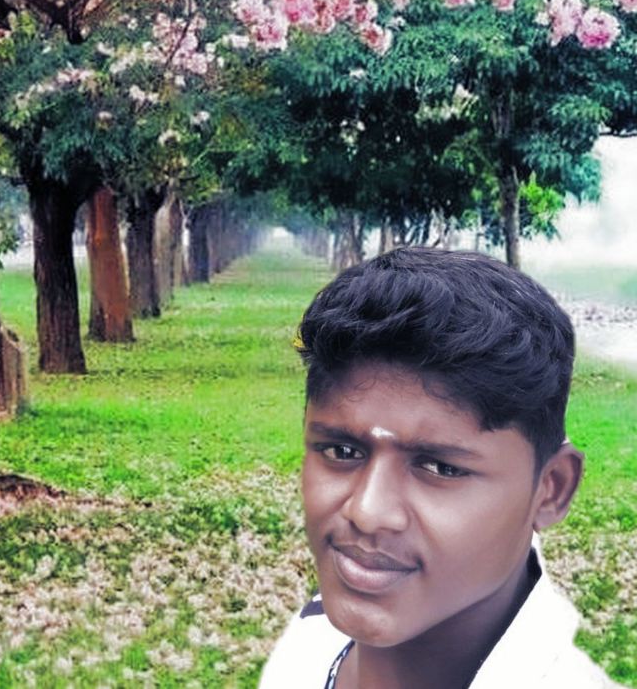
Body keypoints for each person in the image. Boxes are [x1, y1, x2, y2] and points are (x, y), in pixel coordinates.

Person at [259, 247, 625, 689]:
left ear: (551, 489)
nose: (368, 512)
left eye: (441, 468)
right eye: (341, 451)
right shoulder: (304, 647)